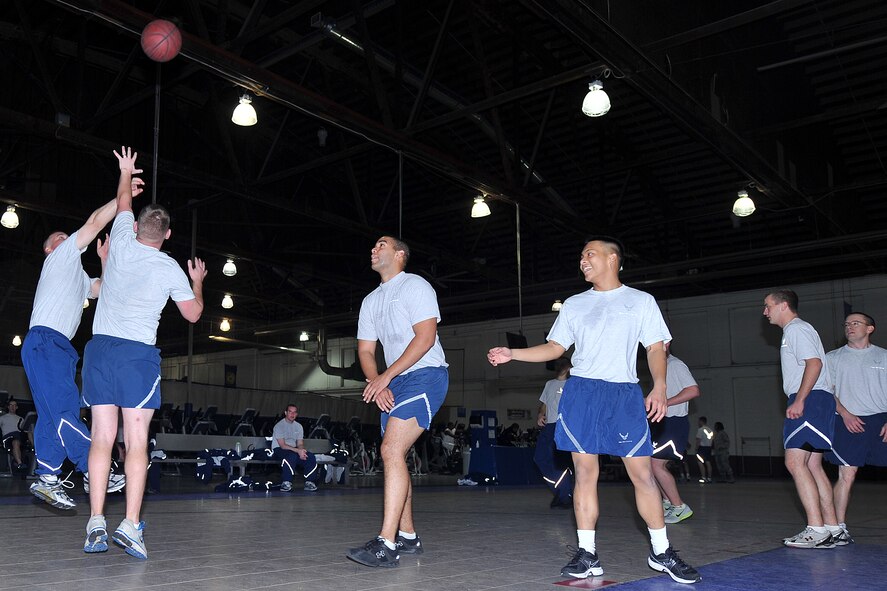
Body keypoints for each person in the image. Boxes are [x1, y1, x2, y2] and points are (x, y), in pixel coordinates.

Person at [487, 237, 700, 584]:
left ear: (613, 258)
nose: (582, 260)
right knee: (585, 474)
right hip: (582, 393)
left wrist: (659, 386)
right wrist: (514, 354)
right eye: (581, 256)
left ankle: (662, 552)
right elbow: (556, 347)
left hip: (624, 395)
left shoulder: (641, 301)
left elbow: (656, 347)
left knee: (643, 475)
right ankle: (588, 555)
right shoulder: (573, 304)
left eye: (590, 254)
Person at [81, 146, 207, 560]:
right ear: (167, 235)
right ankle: (131, 525)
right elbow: (193, 315)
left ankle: (95, 521)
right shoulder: (170, 267)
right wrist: (197, 280)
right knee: (136, 441)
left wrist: (125, 172)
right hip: (137, 357)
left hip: (99, 350)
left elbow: (121, 201)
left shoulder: (120, 238)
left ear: (135, 228)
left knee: (101, 438)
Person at [21, 170, 139, 509]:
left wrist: (107, 260)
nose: (66, 238)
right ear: (49, 250)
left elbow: (105, 288)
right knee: (61, 411)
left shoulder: (79, 277)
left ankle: (47, 478)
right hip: (46, 341)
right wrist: (121, 198)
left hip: (59, 349)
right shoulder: (60, 258)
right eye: (60, 236)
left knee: (53, 414)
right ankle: (94, 466)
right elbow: (91, 223)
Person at [347, 236, 449, 568]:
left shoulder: (415, 286)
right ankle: (407, 536)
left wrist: (385, 377)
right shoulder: (370, 301)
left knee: (390, 450)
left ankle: (386, 545)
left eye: (381, 245)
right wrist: (377, 383)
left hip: (425, 375)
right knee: (396, 454)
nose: (373, 249)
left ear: (400, 255)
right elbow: (365, 351)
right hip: (393, 380)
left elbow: (426, 337)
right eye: (373, 246)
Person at [763, 288, 840, 548]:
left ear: (783, 305)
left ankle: (815, 530)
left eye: (768, 306)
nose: (765, 312)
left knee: (795, 463)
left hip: (810, 400)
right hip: (818, 400)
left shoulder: (796, 329)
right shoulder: (798, 330)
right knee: (813, 465)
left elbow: (814, 363)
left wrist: (800, 399)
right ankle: (832, 528)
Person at [824, 312, 887, 545]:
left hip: (881, 420)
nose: (850, 327)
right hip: (848, 420)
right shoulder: (832, 358)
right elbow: (827, 391)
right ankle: (838, 528)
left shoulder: (883, 356)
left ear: (870, 328)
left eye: (856, 323)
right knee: (846, 474)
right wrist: (845, 413)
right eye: (847, 324)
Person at [652, 344, 699, 524]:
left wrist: (665, 403)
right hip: (662, 423)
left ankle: (679, 507)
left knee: (656, 465)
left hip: (674, 423)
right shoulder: (660, 370)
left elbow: (693, 390)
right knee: (649, 466)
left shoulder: (675, 365)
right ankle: (667, 503)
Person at [534, 357, 574, 508]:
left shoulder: (573, 384)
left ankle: (564, 495)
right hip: (549, 426)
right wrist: (540, 415)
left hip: (564, 426)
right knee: (540, 458)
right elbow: (544, 404)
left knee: (560, 461)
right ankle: (561, 490)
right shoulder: (549, 384)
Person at [271, 404, 319, 491]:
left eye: (294, 412)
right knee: (290, 457)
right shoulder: (279, 426)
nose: (292, 414)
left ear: (296, 414)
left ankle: (309, 482)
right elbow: (283, 445)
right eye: (290, 412)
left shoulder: (299, 426)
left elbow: (300, 443)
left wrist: (301, 451)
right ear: (286, 413)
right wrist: (297, 451)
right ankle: (286, 482)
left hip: (293, 449)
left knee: (310, 457)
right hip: (279, 449)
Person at [0, 399, 27, 471]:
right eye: (11, 405)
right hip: (7, 439)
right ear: (8, 407)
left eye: (14, 405)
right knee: (15, 440)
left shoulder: (21, 419)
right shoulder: (2, 418)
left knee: (16, 441)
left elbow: (27, 431)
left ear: (17, 407)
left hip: (18, 439)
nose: (13, 407)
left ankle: (18, 462)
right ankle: (19, 463)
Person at [694, 416, 713, 483]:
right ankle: (709, 478)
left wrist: (696, 448)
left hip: (702, 448)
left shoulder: (700, 430)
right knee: (708, 462)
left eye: (699, 421)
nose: (698, 423)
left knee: (700, 462)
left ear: (701, 421)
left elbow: (698, 440)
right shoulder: (710, 430)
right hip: (709, 447)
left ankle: (703, 477)